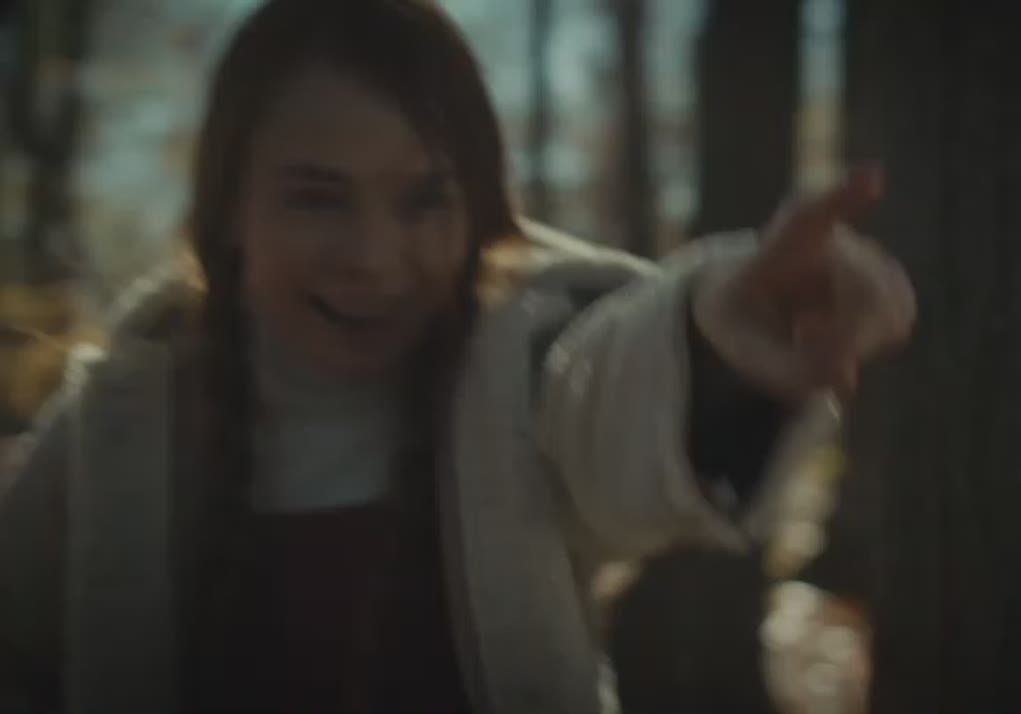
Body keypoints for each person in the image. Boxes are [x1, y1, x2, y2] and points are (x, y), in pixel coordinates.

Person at [0, 0, 916, 713]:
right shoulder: (115, 432)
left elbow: (611, 410)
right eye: (318, 199)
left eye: (423, 201)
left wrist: (717, 339)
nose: (374, 258)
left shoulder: (513, 383)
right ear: (229, 210)